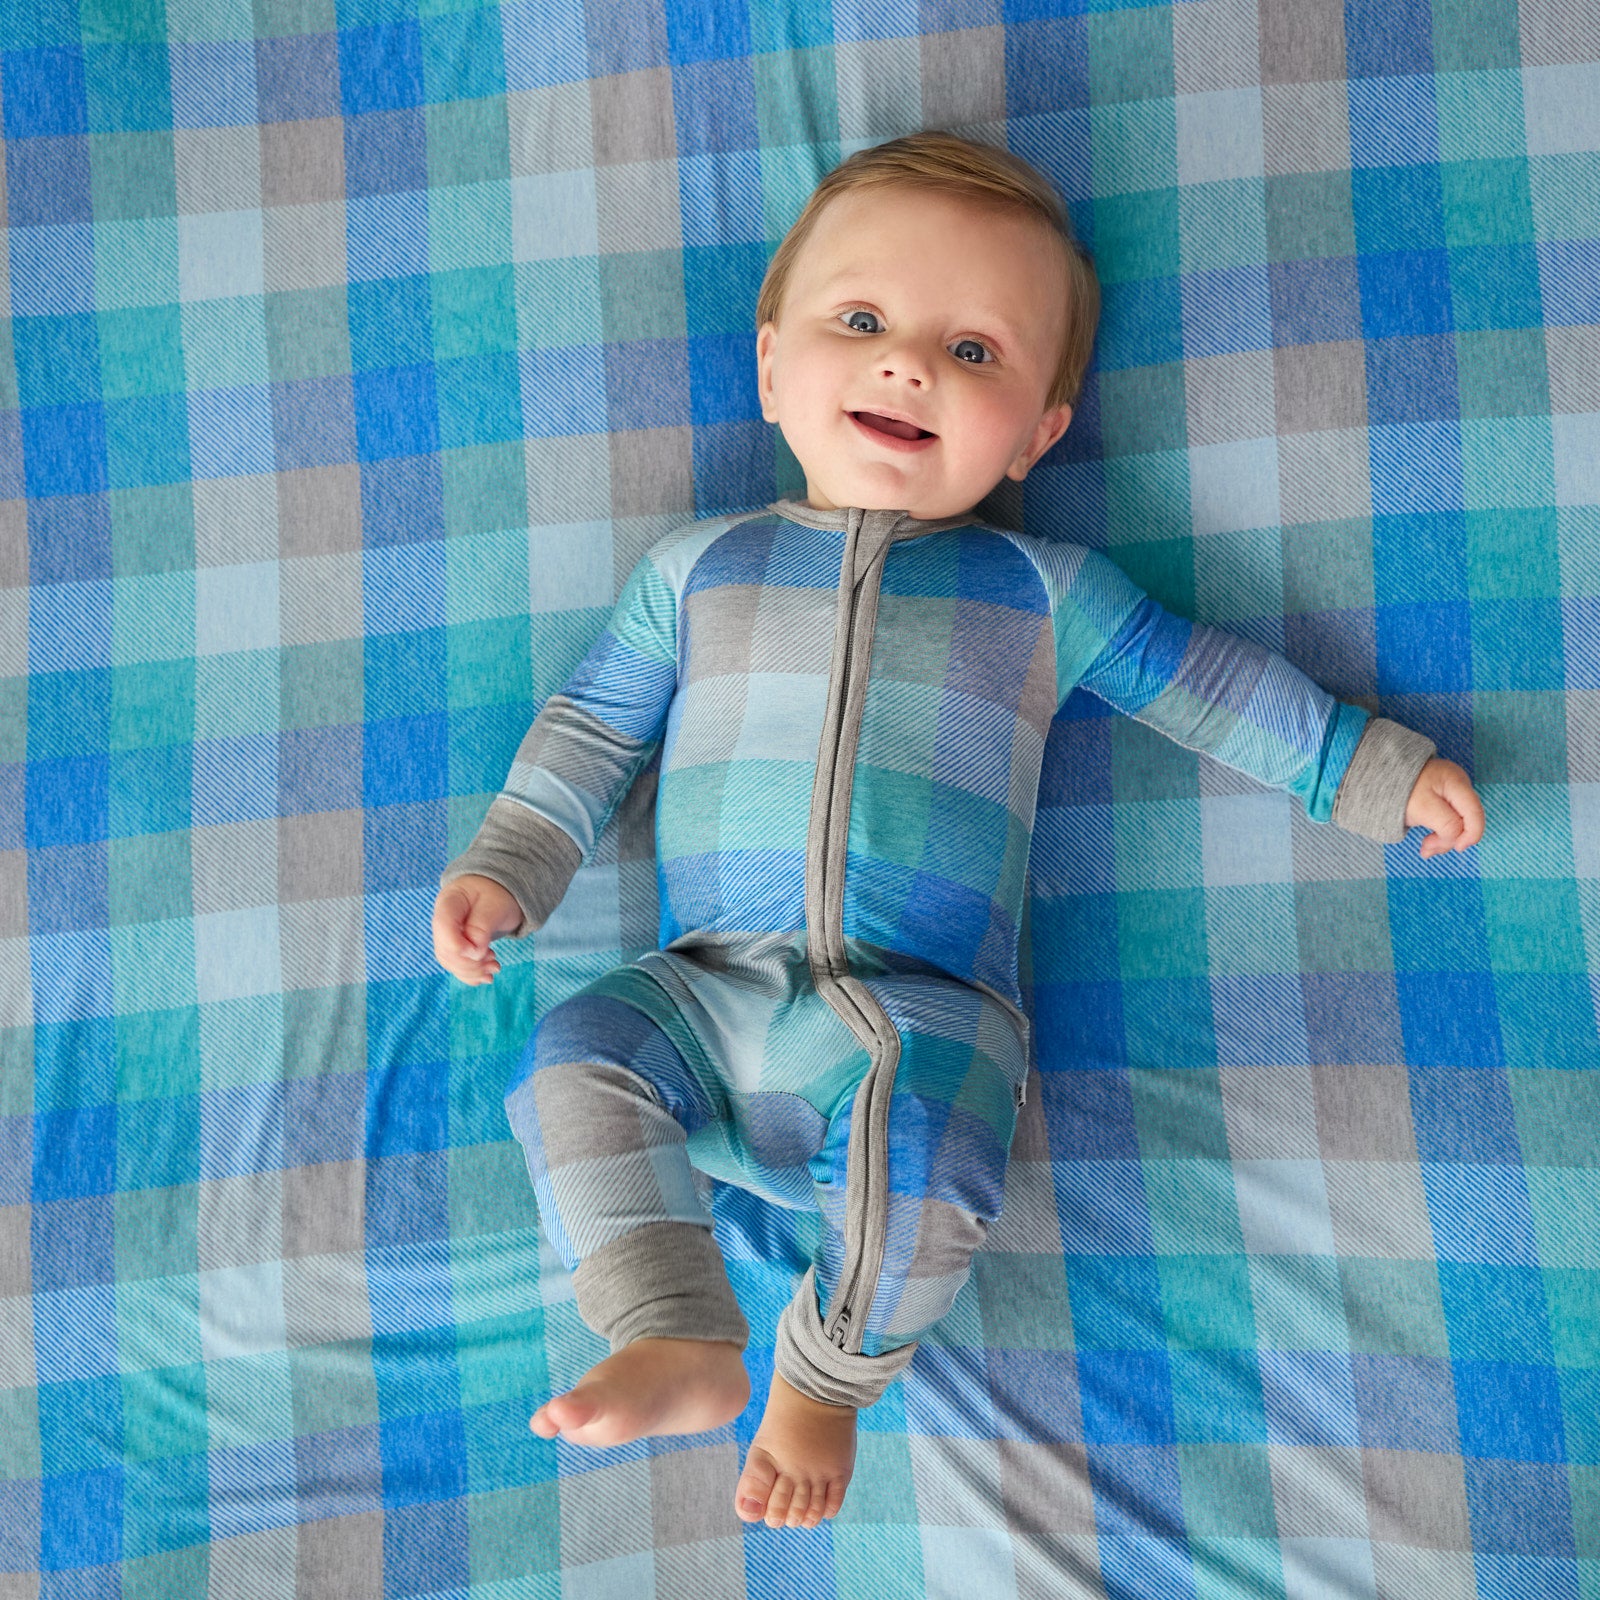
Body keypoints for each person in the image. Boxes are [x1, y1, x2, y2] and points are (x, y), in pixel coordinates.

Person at [430, 132, 1487, 1530]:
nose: (910, 364)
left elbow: (1206, 685)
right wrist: (512, 864)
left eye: (976, 352)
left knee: (933, 1143)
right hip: (701, 990)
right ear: (769, 363)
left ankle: (826, 1375)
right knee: (570, 1054)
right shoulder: (696, 571)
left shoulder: (1046, 591)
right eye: (861, 322)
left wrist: (1360, 765)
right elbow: (592, 729)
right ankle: (670, 1324)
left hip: (914, 1007)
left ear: (1042, 431)